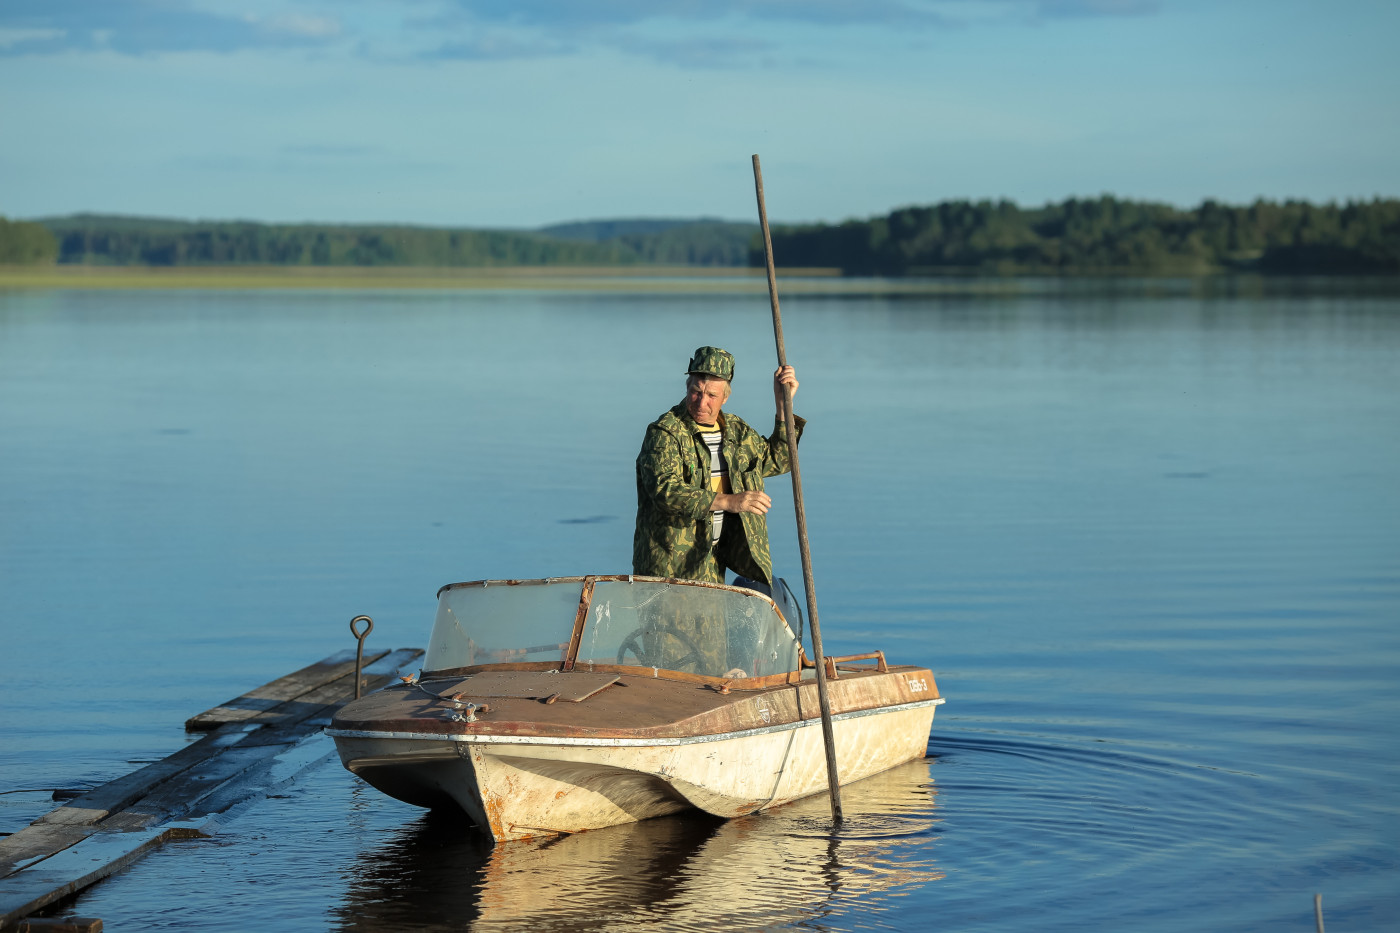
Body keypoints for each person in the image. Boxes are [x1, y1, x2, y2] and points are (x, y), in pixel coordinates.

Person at [632, 346, 803, 591]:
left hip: (712, 564)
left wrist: (783, 404)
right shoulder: (664, 432)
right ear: (687, 387)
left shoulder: (736, 431)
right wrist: (729, 501)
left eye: (711, 395)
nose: (702, 402)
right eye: (696, 391)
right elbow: (665, 491)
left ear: (725, 397)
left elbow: (779, 460)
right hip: (668, 570)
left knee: (712, 631)